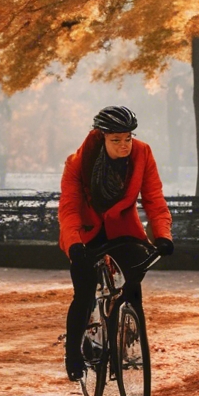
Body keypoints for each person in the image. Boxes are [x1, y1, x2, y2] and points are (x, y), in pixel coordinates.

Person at [59, 105, 174, 381]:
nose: (124, 145)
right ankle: (73, 353)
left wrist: (163, 236)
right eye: (116, 140)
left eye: (128, 138)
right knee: (84, 292)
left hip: (124, 229)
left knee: (133, 284)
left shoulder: (142, 153)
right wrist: (75, 245)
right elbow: (69, 208)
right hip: (88, 233)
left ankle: (125, 335)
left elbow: (154, 199)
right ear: (101, 137)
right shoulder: (78, 162)